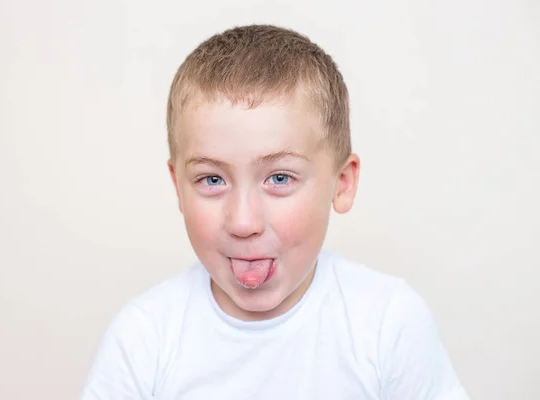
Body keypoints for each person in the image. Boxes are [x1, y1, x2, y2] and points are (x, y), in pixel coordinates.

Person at [80, 24, 469, 399]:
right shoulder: (143, 339)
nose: (244, 222)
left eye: (279, 178)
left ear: (342, 182)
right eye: (212, 180)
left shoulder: (388, 323)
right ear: (177, 187)